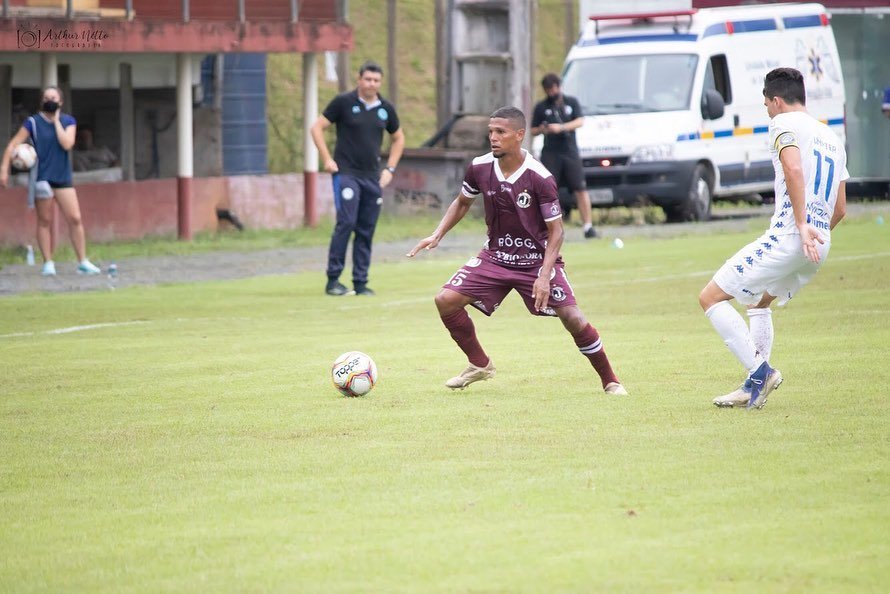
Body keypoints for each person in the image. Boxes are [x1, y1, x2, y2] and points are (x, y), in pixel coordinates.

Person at [408, 106, 627, 394]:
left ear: (519, 135)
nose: (493, 137)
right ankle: (480, 364)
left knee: (573, 318)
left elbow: (557, 231)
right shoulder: (479, 167)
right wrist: (438, 234)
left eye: (501, 132)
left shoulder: (539, 176)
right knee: (446, 300)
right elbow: (462, 202)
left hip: (536, 261)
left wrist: (544, 275)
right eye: (490, 132)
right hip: (495, 257)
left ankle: (610, 380)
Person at [699, 67, 848, 409]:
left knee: (710, 298)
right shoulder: (832, 137)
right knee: (758, 303)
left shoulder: (782, 123)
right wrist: (814, 233)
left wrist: (801, 225)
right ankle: (752, 387)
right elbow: (840, 208)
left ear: (777, 101)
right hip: (819, 242)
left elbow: (793, 168)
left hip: (791, 236)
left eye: (766, 103)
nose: (766, 110)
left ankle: (760, 373)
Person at [311, 60, 405, 296]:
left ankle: (360, 282)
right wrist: (327, 159)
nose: (371, 84)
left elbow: (398, 138)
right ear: (359, 80)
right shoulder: (344, 102)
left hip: (372, 177)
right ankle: (333, 280)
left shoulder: (386, 108)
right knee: (346, 223)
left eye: (376, 80)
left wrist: (390, 169)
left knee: (366, 228)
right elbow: (317, 128)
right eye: (368, 79)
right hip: (346, 174)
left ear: (380, 83)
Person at [0, 86, 101, 276]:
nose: (50, 101)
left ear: (60, 102)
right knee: (44, 220)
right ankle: (48, 262)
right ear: (41, 101)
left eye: (53, 98)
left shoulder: (68, 121)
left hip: (62, 178)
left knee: (75, 218)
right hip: (42, 178)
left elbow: (67, 143)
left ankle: (82, 261)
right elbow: (12, 145)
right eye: (46, 98)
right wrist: (4, 169)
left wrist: (56, 122)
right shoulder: (33, 122)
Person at [530, 73, 597, 239]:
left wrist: (562, 127)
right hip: (550, 153)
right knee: (548, 190)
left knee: (580, 188)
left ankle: (588, 226)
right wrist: (544, 129)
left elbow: (580, 121)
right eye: (549, 89)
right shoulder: (541, 107)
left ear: (559, 86)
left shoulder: (571, 102)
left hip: (570, 151)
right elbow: (533, 130)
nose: (552, 92)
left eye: (554, 88)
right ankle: (548, 228)